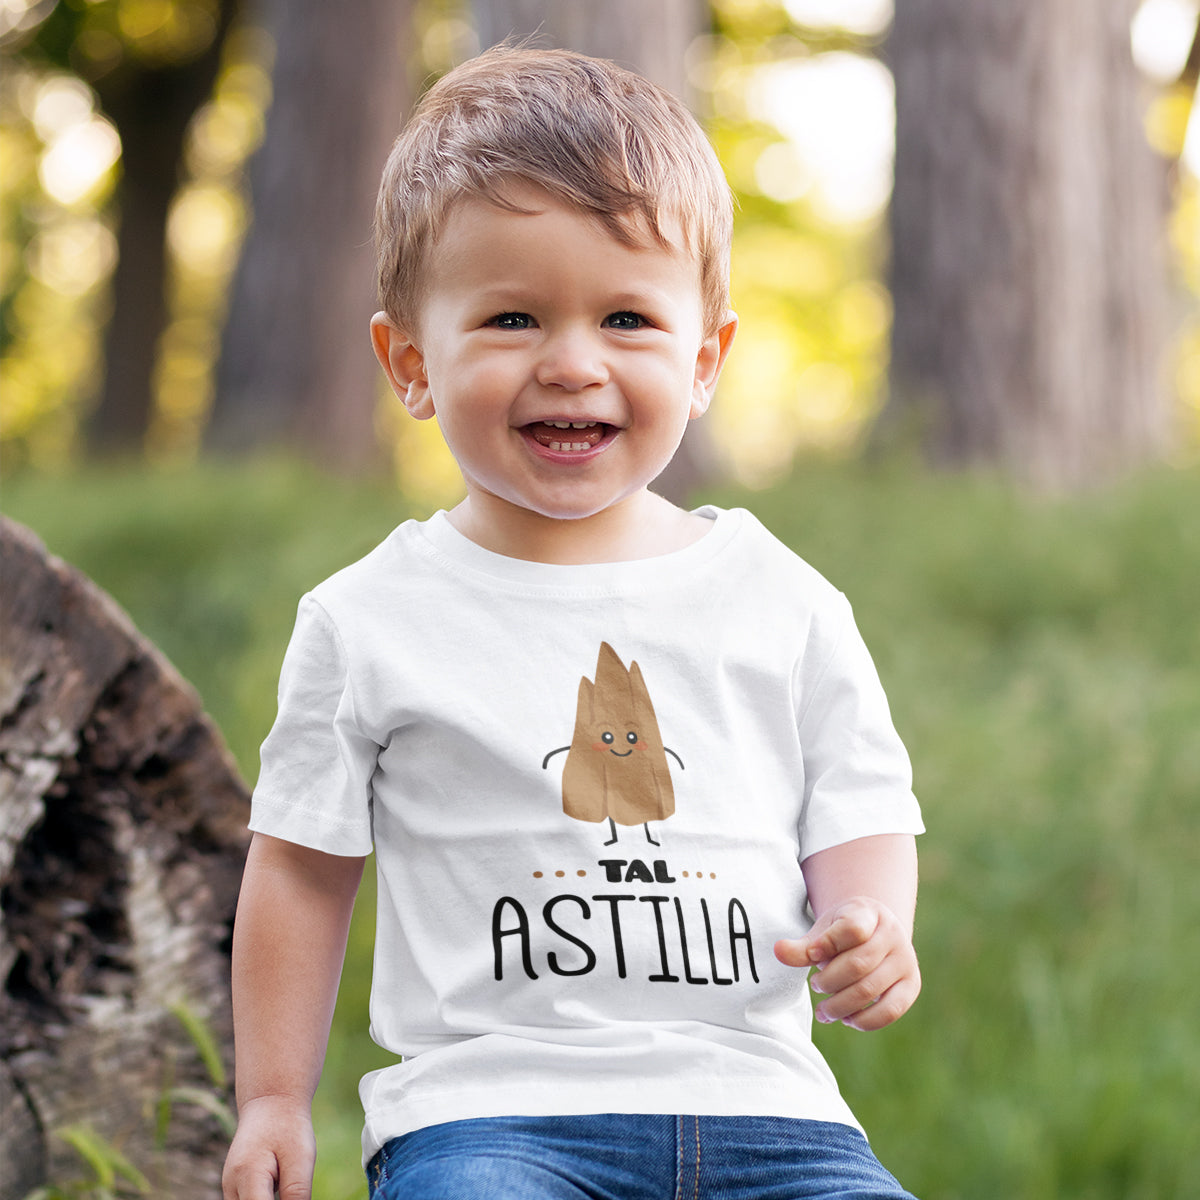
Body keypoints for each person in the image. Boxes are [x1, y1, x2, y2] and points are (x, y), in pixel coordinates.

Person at [222, 44, 925, 1200]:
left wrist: (868, 921)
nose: (572, 364)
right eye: (510, 317)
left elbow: (855, 802)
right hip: (495, 1122)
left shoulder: (779, 597)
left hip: (770, 1115)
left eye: (627, 320)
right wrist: (271, 1099)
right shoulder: (368, 622)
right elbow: (299, 872)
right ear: (409, 363)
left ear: (705, 360)